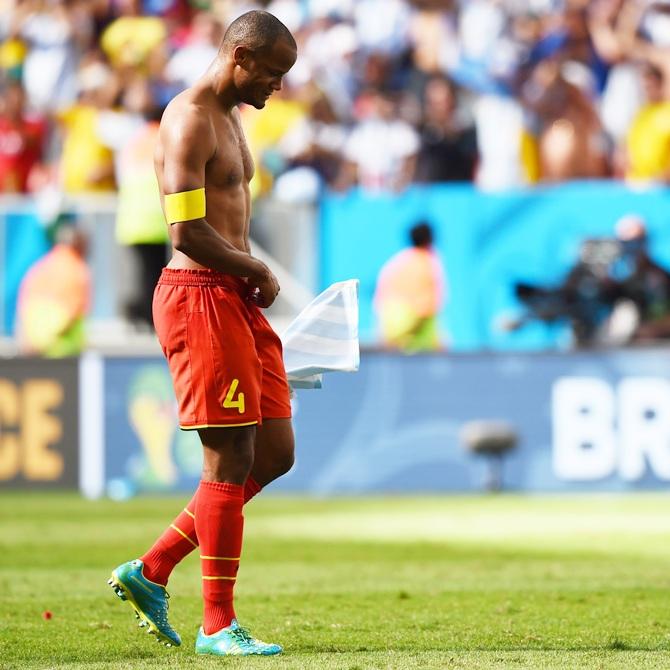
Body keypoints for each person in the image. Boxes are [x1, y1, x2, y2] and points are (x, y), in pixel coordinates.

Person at [107, 10, 297, 658]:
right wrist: (253, 267)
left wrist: (248, 274)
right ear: (239, 56)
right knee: (229, 461)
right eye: (271, 73)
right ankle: (218, 624)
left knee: (273, 453)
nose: (276, 87)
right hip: (200, 296)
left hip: (235, 296)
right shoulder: (188, 118)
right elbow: (184, 231)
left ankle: (153, 568)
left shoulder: (233, 118)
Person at [15, 222, 90, 357]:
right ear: (79, 244)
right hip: (61, 349)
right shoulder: (77, 269)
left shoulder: (40, 266)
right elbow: (74, 310)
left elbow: (23, 304)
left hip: (32, 343)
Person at [373, 221, 446, 352]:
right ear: (430, 239)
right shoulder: (428, 263)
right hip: (414, 337)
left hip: (390, 332)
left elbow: (381, 300)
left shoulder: (396, 262)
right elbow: (428, 306)